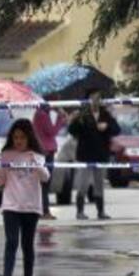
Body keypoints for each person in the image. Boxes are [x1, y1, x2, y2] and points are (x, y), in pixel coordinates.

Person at [0, 119, 50, 276]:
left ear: (29, 137)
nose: (18, 141)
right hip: (11, 205)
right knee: (11, 242)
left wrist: (36, 163)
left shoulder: (37, 155)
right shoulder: (7, 155)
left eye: (21, 137)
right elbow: (0, 180)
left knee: (27, 245)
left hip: (31, 206)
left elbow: (45, 178)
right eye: (15, 137)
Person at [67, 91, 120, 220]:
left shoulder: (105, 114)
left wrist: (107, 126)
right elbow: (72, 131)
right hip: (85, 155)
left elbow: (117, 130)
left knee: (99, 184)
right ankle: (80, 211)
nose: (95, 100)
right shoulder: (83, 114)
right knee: (83, 184)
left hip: (101, 154)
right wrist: (75, 120)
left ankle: (100, 211)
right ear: (88, 100)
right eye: (92, 98)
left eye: (98, 98)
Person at [32, 100, 67, 220]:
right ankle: (44, 211)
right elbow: (52, 131)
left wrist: (61, 118)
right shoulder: (42, 114)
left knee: (44, 183)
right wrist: (59, 118)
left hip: (45, 150)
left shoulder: (40, 114)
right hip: (46, 151)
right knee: (45, 183)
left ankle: (42, 210)